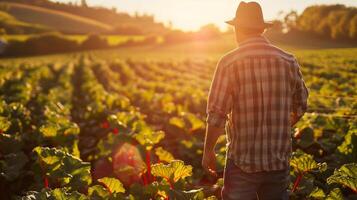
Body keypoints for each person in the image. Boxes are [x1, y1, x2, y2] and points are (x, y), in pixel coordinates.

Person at [202, 1, 309, 200]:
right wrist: (282, 125)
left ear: (237, 30)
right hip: (278, 161)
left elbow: (217, 115)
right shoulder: (288, 61)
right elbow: (301, 105)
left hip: (242, 162)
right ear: (261, 29)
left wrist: (208, 150)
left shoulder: (229, 63)